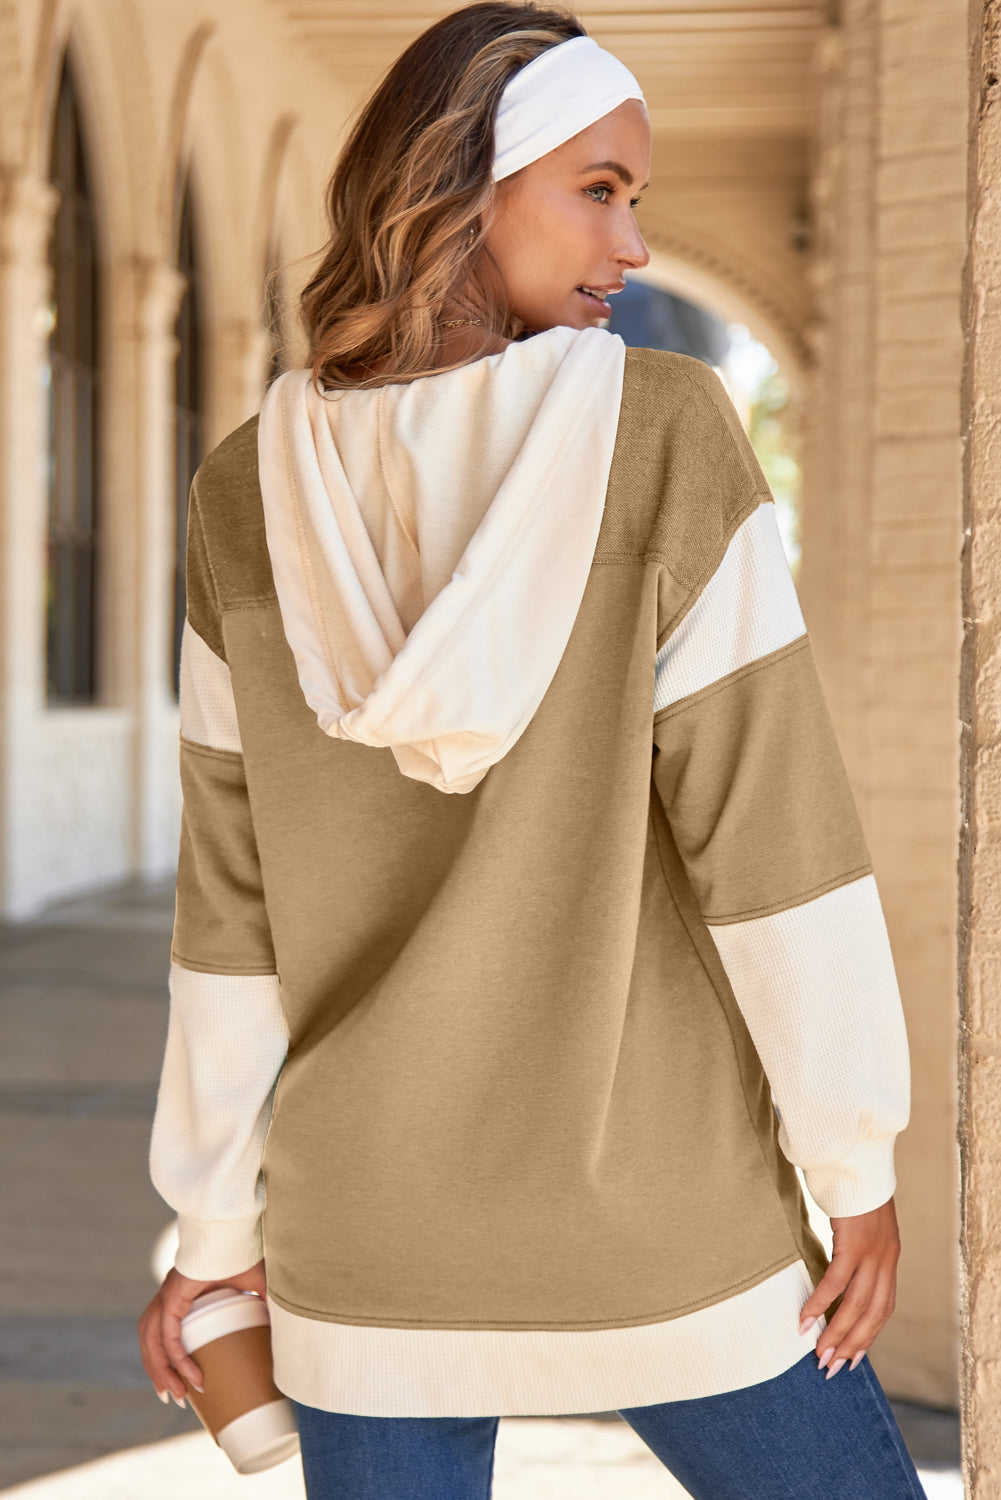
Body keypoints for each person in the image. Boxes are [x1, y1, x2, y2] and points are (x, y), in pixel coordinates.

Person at [137, 5, 926, 1496]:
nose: (632, 244)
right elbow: (774, 848)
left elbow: (227, 917)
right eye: (599, 189)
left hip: (365, 1244)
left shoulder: (243, 492)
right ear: (459, 185)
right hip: (662, 1221)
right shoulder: (665, 434)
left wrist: (216, 1230)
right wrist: (854, 1167)